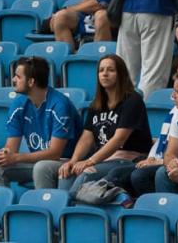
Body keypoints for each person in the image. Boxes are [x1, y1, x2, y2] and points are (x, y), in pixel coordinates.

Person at [105, 55, 178, 199]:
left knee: (140, 176)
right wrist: (151, 158)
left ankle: (157, 207)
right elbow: (163, 140)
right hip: (161, 160)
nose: (176, 78)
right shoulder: (176, 110)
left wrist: (159, 161)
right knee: (116, 175)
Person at [58, 55, 152, 198]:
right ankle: (61, 209)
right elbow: (86, 138)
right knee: (67, 172)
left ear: (120, 74)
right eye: (101, 70)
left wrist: (90, 161)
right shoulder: (97, 104)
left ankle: (71, 210)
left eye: (110, 70)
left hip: (127, 159)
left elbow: (119, 139)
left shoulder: (132, 100)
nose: (105, 74)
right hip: (104, 159)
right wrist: (74, 160)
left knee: (86, 173)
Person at [0, 56, 82, 189]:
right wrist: (5, 154)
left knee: (41, 167)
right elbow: (11, 149)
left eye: (18, 77)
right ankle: (1, 207)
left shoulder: (59, 105)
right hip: (37, 161)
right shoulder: (18, 104)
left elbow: (55, 153)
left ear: (31, 81)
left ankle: (44, 207)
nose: (13, 80)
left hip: (66, 161)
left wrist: (16, 158)